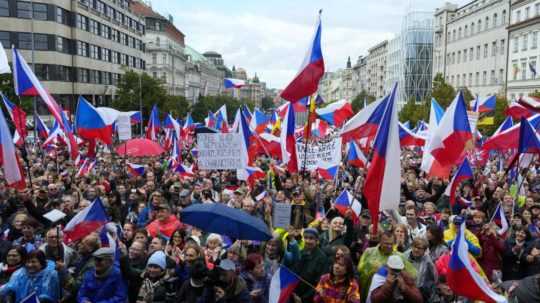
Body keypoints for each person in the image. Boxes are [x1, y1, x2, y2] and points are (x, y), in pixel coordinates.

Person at [357, 231, 416, 301]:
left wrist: (386, 271)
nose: (389, 246)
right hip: (367, 291)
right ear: (380, 242)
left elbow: (413, 275)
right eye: (386, 243)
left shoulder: (399, 256)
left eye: (391, 244)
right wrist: (372, 270)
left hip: (389, 294)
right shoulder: (369, 252)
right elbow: (359, 269)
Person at [293, 228, 330, 302]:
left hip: (308, 298)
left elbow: (319, 283)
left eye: (311, 238)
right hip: (294, 295)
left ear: (317, 240)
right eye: (306, 238)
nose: (308, 241)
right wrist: (293, 293)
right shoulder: (300, 253)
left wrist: (303, 299)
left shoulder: (322, 258)